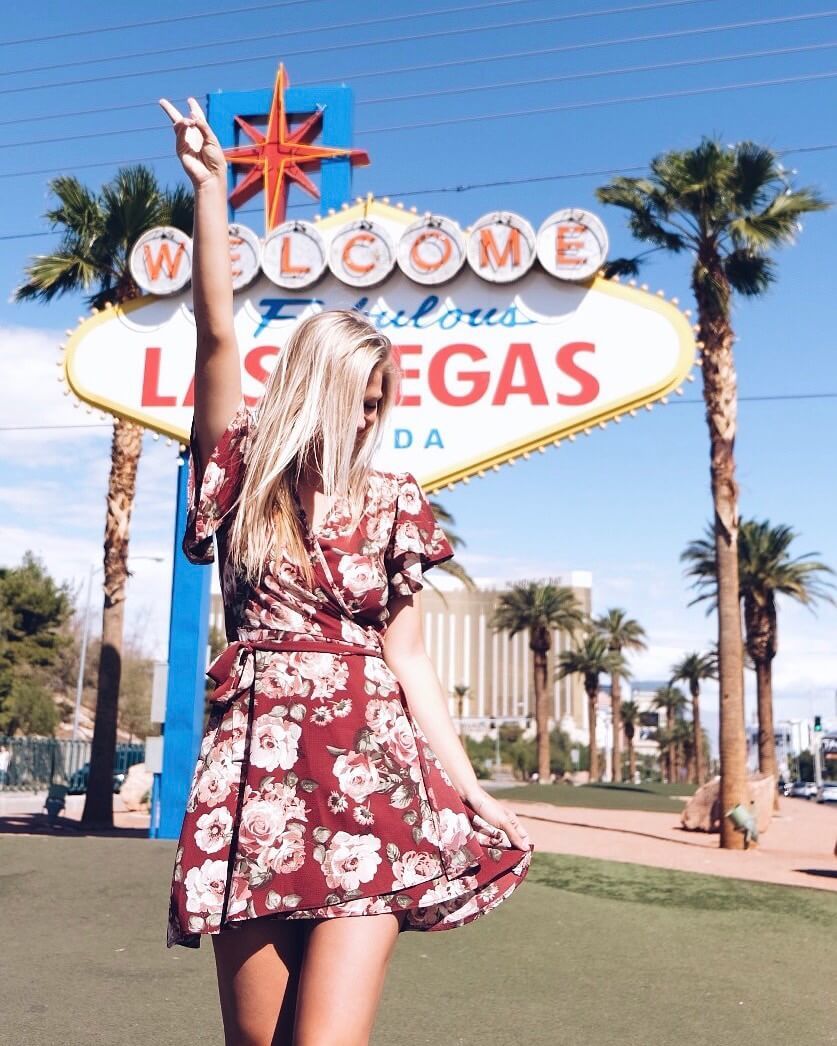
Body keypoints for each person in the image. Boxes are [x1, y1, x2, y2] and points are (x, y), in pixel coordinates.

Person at [159, 95, 533, 1046]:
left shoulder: (399, 498)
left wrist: (474, 788)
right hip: (254, 777)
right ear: (313, 391)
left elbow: (410, 664)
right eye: (358, 401)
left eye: (381, 403)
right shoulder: (238, 468)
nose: (370, 420)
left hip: (371, 777)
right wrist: (210, 191)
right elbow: (214, 334)